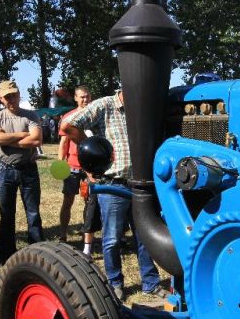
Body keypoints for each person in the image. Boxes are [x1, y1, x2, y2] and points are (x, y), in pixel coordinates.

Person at [62, 89, 166, 301]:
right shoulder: (104, 106)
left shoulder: (143, 109)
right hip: (113, 184)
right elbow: (68, 126)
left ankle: (151, 283)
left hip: (141, 184)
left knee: (144, 236)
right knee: (112, 239)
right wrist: (91, 150)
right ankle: (115, 283)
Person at [0, 80, 44, 263]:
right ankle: (5, 254)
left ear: (19, 94)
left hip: (28, 169)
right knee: (6, 213)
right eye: (7, 96)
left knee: (33, 212)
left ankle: (37, 251)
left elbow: (36, 140)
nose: (11, 99)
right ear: (1, 98)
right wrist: (23, 135)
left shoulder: (30, 114)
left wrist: (7, 140)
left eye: (14, 94)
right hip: (6, 170)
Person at [58, 86, 101, 254]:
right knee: (67, 201)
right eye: (82, 97)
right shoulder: (68, 118)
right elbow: (63, 144)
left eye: (87, 96)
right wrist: (61, 165)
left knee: (89, 203)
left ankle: (87, 237)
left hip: (90, 168)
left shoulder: (97, 115)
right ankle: (63, 235)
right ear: (75, 98)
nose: (85, 99)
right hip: (72, 167)